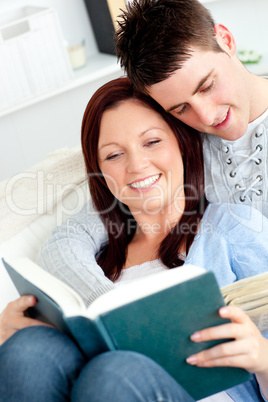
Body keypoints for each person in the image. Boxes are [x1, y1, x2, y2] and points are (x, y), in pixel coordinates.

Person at [1, 78, 268, 401]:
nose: (137, 165)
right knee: (29, 350)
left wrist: (263, 359)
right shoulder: (93, 257)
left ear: (182, 142)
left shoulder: (233, 229)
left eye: (152, 142)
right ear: (99, 171)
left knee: (114, 373)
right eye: (114, 155)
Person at [115, 0, 268, 217]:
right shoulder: (176, 142)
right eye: (181, 109)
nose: (206, 117)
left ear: (225, 40)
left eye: (207, 86)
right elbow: (82, 228)